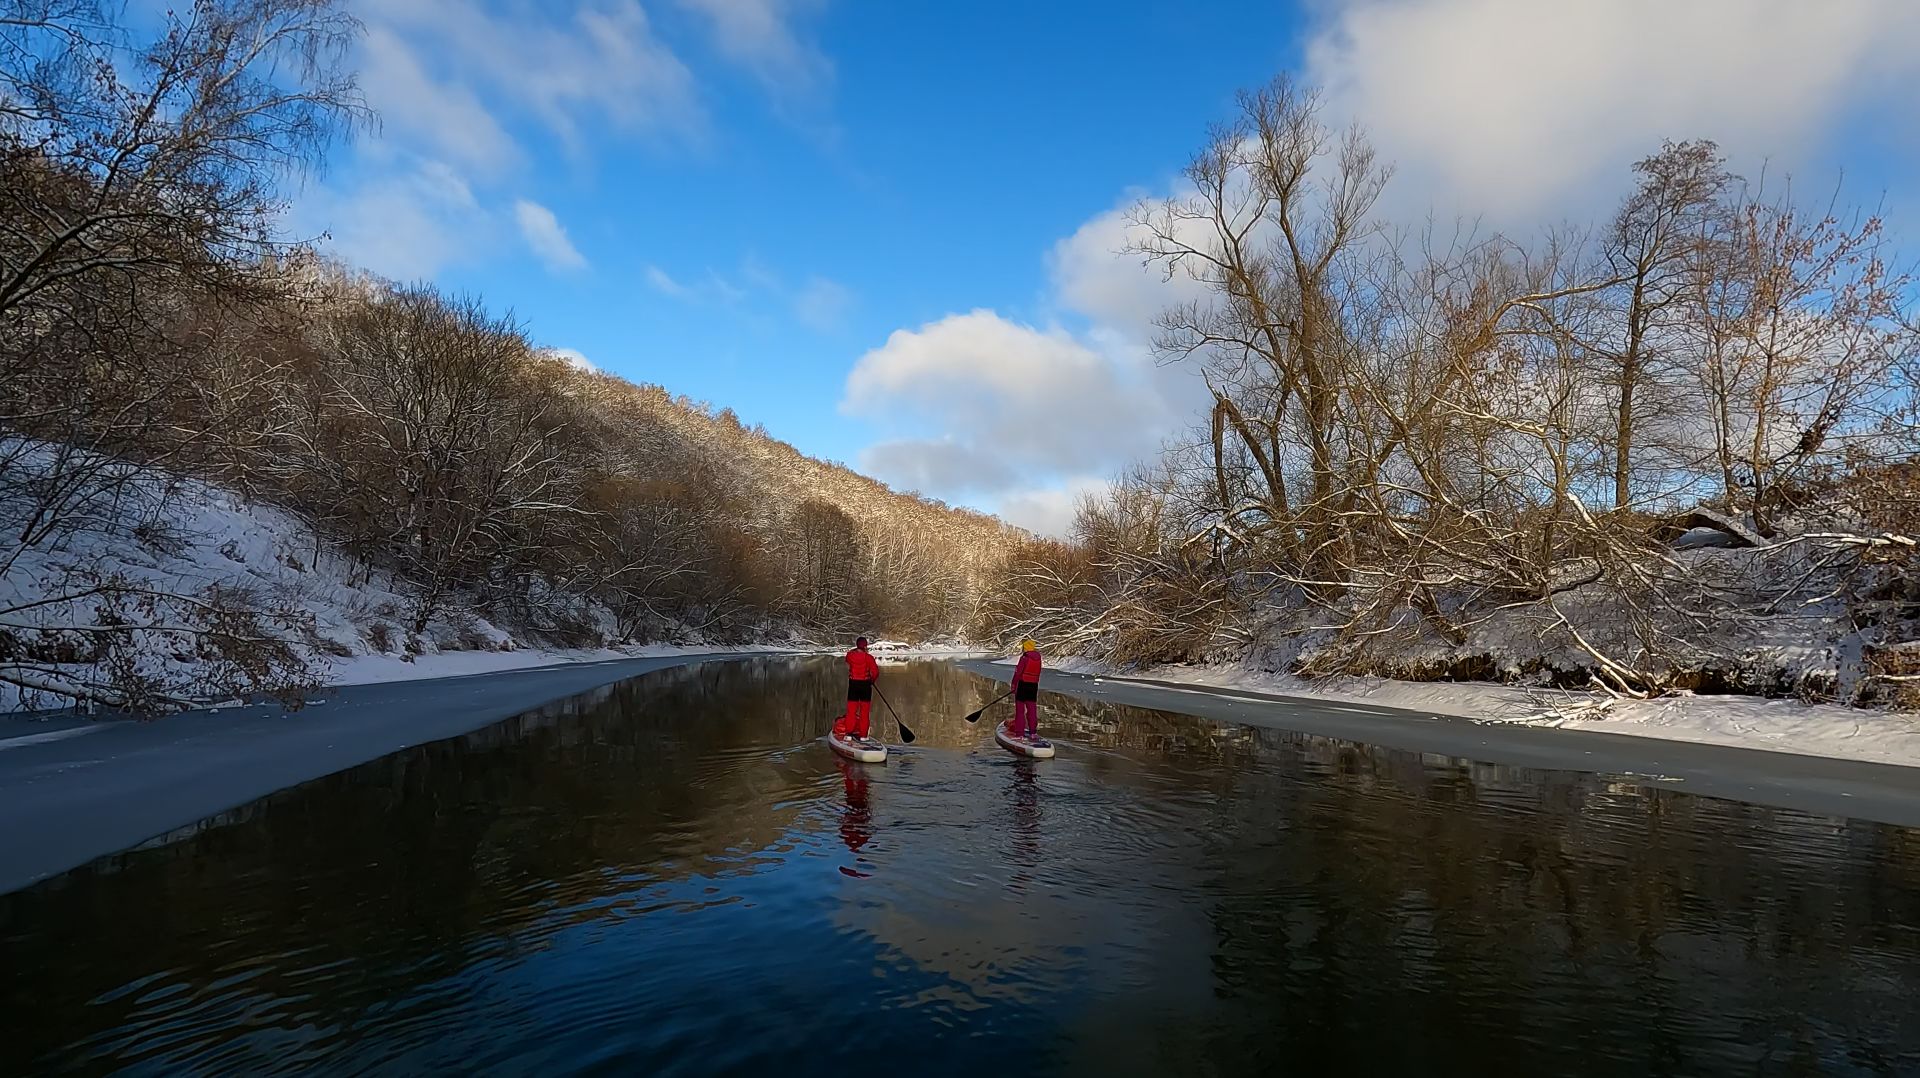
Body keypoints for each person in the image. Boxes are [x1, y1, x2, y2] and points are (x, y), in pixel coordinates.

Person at [835, 636, 880, 741]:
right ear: (866, 646)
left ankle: (849, 734)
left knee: (851, 711)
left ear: (856, 645)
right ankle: (863, 736)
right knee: (864, 711)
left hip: (853, 685)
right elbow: (876, 672)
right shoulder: (869, 658)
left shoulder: (850, 656)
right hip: (865, 686)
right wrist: (872, 680)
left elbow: (848, 658)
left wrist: (856, 650)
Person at [1009, 638, 1042, 740]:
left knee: (1020, 710)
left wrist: (1014, 685)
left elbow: (1018, 672)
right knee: (1032, 709)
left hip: (1023, 684)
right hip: (1033, 686)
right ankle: (1033, 732)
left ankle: (1020, 734)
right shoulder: (1038, 658)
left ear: (1026, 648)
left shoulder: (1024, 658)